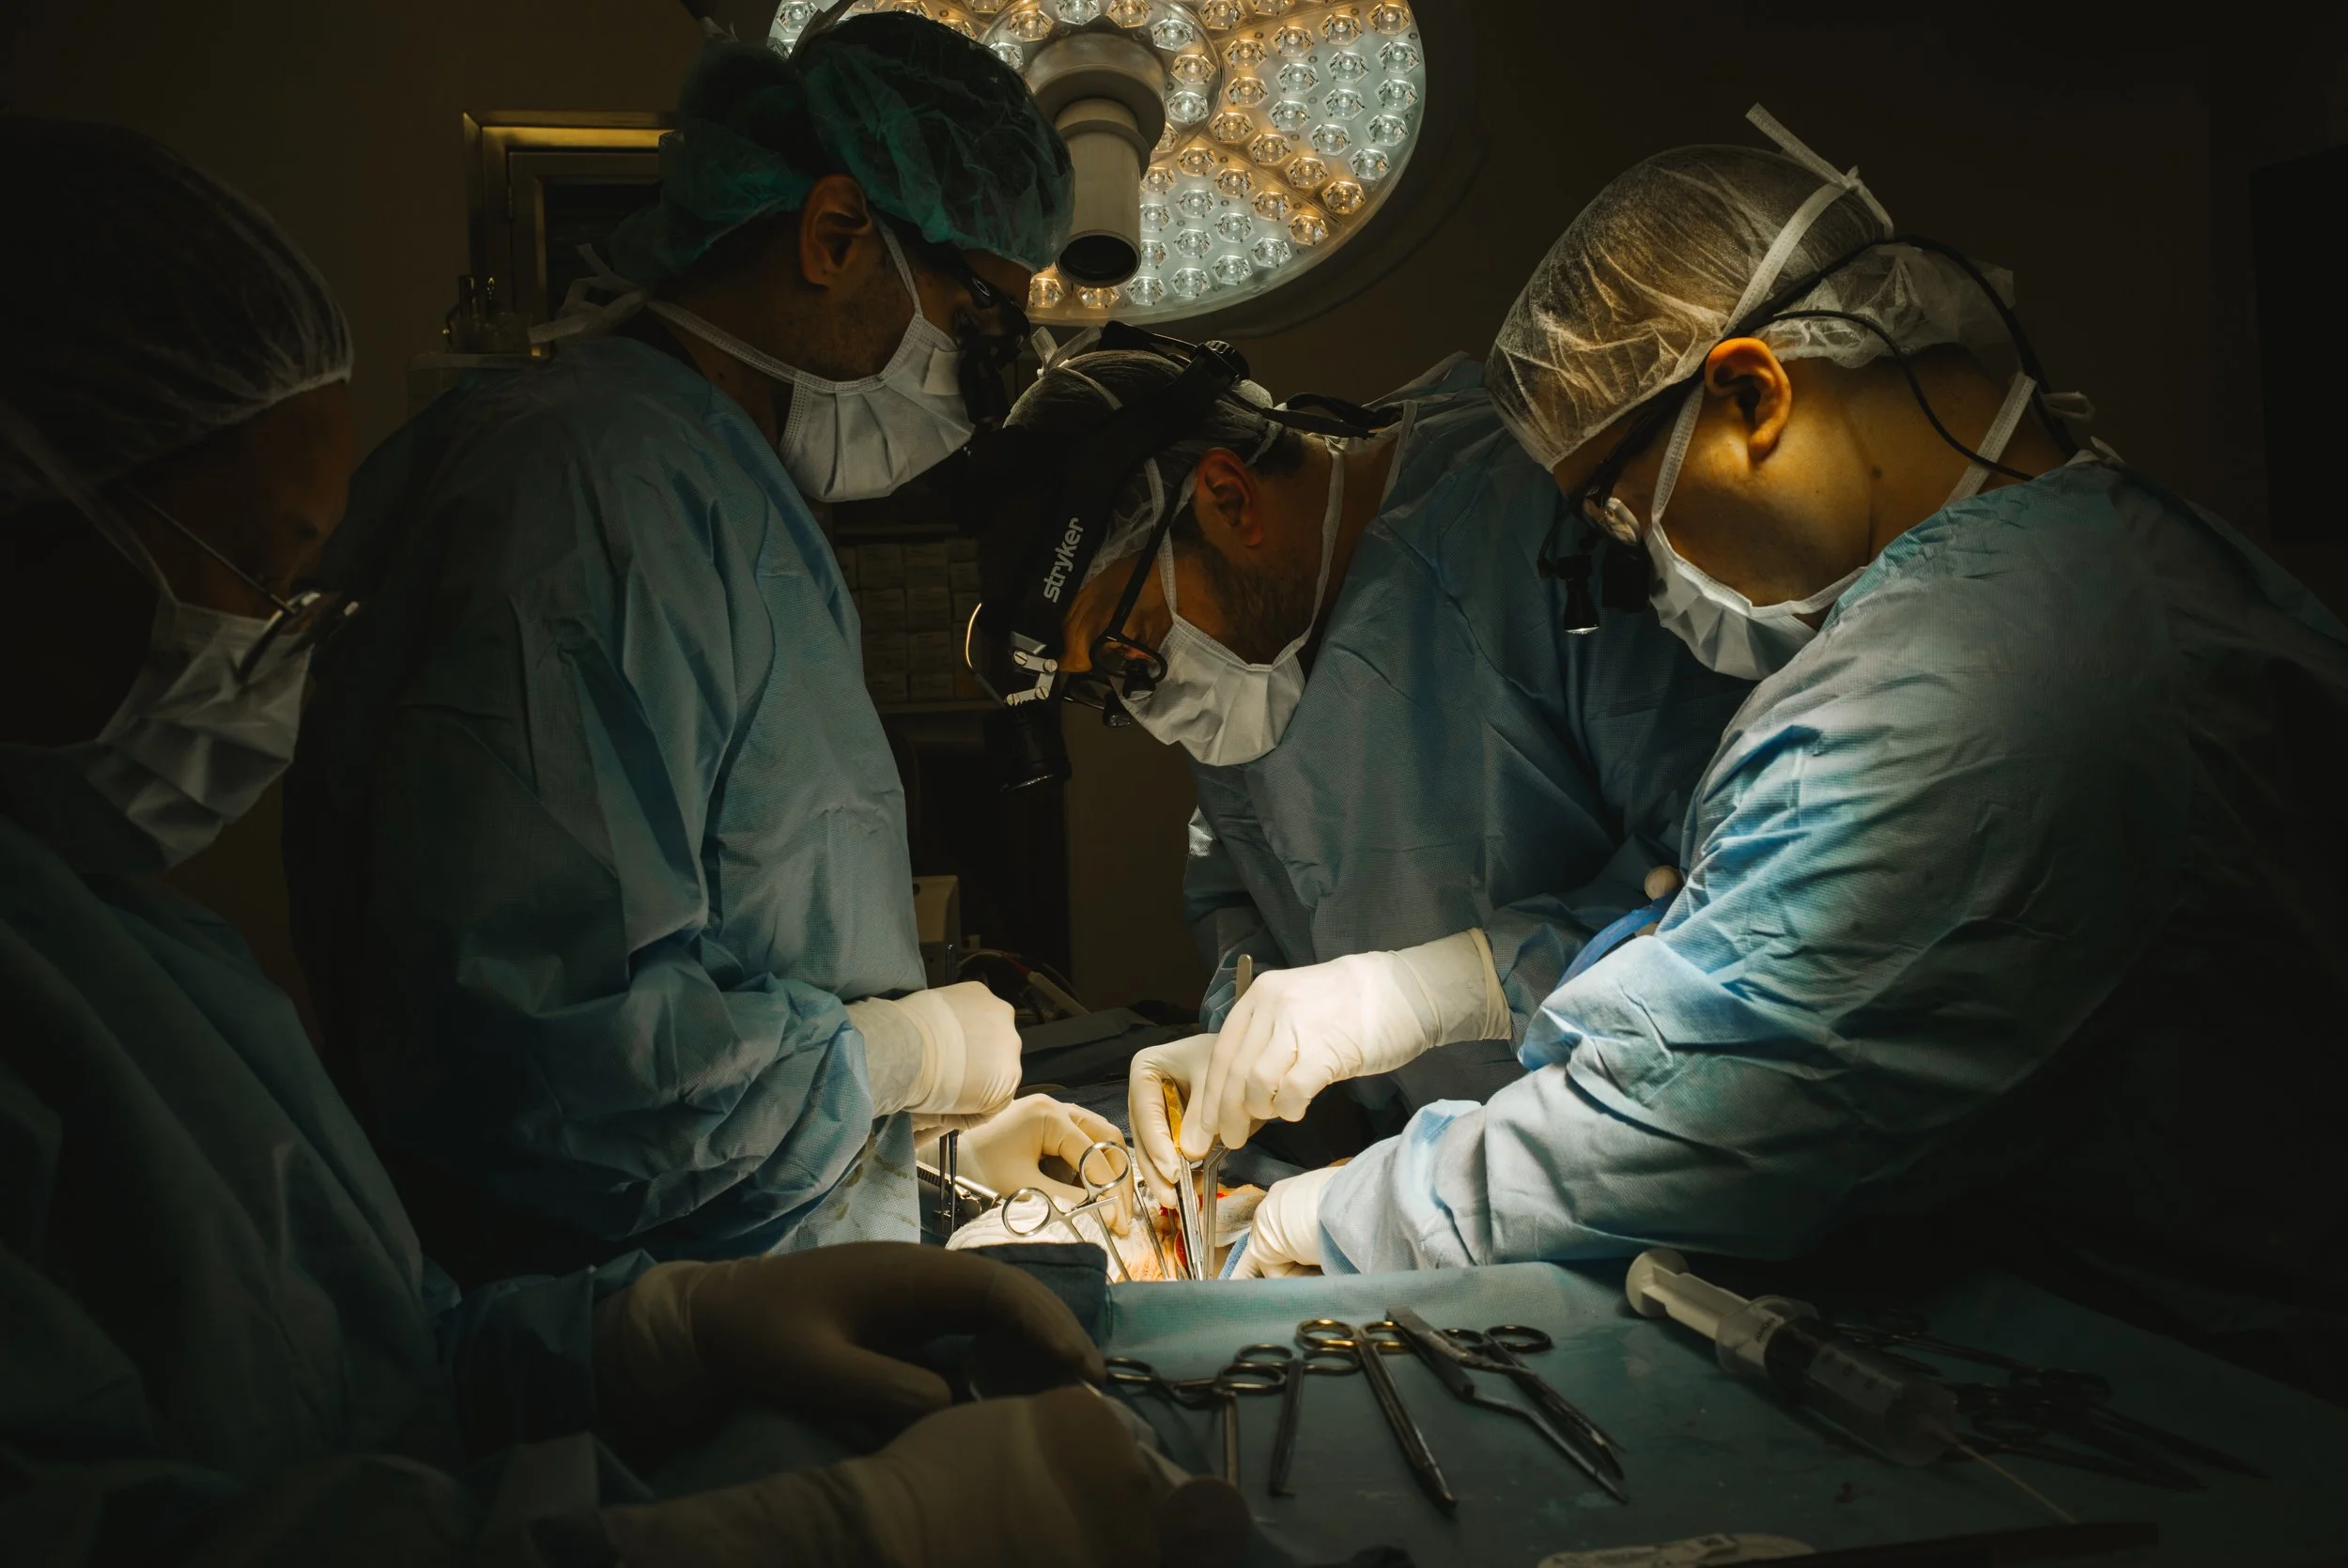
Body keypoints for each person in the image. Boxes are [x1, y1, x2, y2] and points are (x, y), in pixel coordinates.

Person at [0, 114, 1168, 1567]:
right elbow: (551, 1064)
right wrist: (845, 1522)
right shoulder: (588, 487)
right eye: (258, 564)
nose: (278, 635)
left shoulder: (129, 948)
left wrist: (679, 1326)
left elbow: (376, 1375)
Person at [1229, 111, 2348, 1384]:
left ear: (1753, 394)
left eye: (1618, 510)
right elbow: (1758, 938)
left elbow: (1691, 1111)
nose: (1644, 569)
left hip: (2220, 1395)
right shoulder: (2126, 558)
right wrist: (1460, 984)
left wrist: (1339, 1211)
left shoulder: (1973, 686)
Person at [284, 19, 1114, 1284]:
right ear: (836, 235)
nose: (976, 383)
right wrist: (901, 1059)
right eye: (979, 322)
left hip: (737, 1286)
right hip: (623, 1351)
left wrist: (912, 1151)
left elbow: (745, 950)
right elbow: (558, 1065)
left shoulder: (713, 492)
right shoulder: (594, 494)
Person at [973, 339, 1751, 1205]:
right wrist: (1241, 1045)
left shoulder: (1533, 519)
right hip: (1430, 1191)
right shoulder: (1244, 669)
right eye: (1113, 686)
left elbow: (1741, 890)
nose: (1151, 706)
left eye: (1133, 650)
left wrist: (1456, 987)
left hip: (1659, 1156)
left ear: (1229, 499)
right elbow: (1244, 897)